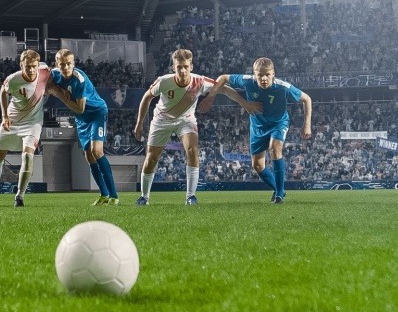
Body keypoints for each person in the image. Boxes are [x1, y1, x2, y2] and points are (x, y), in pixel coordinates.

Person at [213, 56, 312, 204]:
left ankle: (279, 195)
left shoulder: (282, 87)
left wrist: (307, 124)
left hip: (278, 123)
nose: (264, 78)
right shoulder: (247, 81)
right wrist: (243, 103)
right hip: (258, 126)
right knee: (258, 165)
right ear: (254, 74)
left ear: (273, 74)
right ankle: (280, 190)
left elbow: (307, 99)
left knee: (274, 148)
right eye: (260, 75)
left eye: (267, 74)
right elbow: (223, 78)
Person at [134, 48, 216, 206]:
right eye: (179, 67)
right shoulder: (164, 81)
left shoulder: (200, 81)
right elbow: (147, 97)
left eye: (186, 66)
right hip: (161, 120)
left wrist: (242, 102)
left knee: (192, 150)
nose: (183, 70)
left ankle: (191, 196)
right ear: (174, 68)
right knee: (152, 158)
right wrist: (139, 123)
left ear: (191, 66)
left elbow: (221, 86)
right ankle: (144, 197)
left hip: (186, 120)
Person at [0, 49, 54, 207]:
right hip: (13, 121)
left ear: (38, 65)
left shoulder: (45, 72)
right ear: (21, 65)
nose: (31, 69)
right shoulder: (13, 79)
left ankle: (19, 196)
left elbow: (58, 74)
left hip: (33, 123)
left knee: (28, 156)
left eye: (34, 66)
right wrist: (4, 116)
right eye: (27, 66)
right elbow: (3, 91)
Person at [50, 49, 119, 205]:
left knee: (97, 151)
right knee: (89, 156)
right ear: (57, 65)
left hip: (96, 113)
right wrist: (59, 89)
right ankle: (104, 195)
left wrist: (59, 94)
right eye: (62, 65)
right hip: (81, 120)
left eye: (69, 64)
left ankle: (114, 196)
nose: (66, 68)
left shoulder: (79, 80)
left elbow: (79, 108)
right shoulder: (54, 74)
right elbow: (48, 84)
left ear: (74, 64)